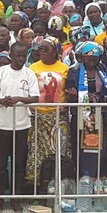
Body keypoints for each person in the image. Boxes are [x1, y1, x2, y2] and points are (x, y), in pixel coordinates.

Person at [0, 42, 39, 212]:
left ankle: (16, 200)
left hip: (22, 125)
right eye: (17, 55)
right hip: (2, 124)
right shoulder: (0, 72)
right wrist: (3, 101)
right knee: (0, 165)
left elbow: (35, 98)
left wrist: (18, 99)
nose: (20, 59)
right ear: (11, 54)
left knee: (19, 165)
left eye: (23, 55)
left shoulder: (30, 73)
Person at [27, 36, 70, 187]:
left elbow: (67, 91)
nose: (42, 52)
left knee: (58, 150)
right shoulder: (33, 68)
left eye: (46, 49)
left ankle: (57, 185)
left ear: (56, 51)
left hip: (58, 116)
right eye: (40, 49)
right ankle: (36, 186)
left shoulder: (64, 69)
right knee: (37, 151)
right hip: (38, 116)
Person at [66, 41, 107, 178]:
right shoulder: (74, 70)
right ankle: (81, 175)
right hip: (81, 113)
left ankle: (99, 175)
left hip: (99, 112)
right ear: (82, 58)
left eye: (94, 59)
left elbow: (106, 88)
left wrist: (106, 96)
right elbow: (70, 89)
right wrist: (76, 95)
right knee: (80, 145)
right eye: (88, 59)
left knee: (99, 146)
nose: (91, 62)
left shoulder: (102, 69)